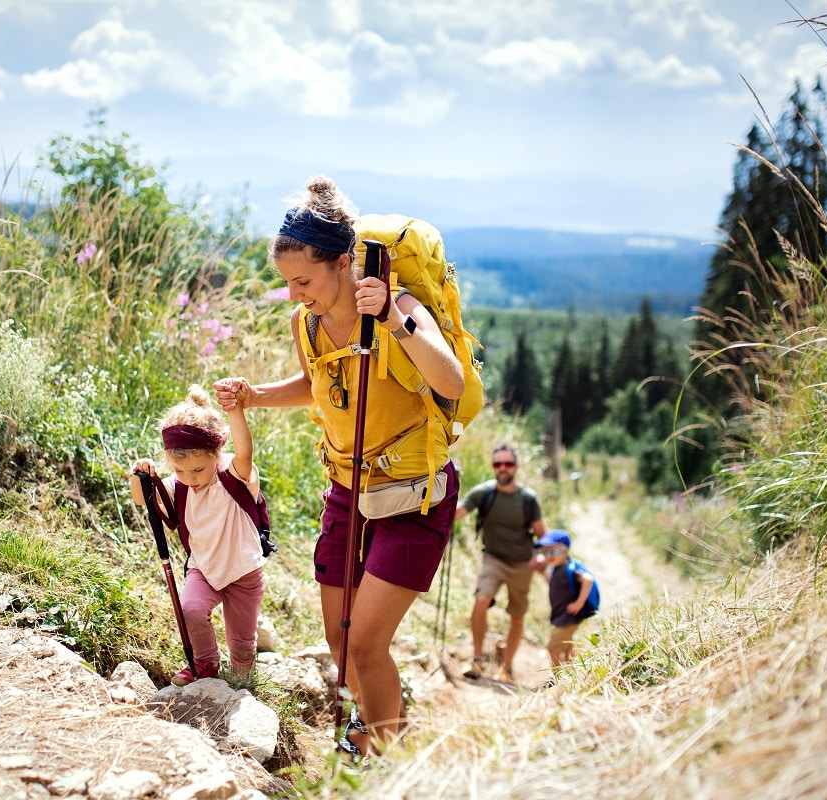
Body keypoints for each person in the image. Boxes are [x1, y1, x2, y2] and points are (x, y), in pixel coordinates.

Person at [213, 175, 464, 757]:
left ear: (345, 263)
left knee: (367, 645)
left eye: (304, 280)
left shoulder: (398, 306)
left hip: (413, 496)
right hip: (347, 490)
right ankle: (374, 730)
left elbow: (449, 379)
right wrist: (255, 396)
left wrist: (397, 322)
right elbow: (317, 383)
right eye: (288, 283)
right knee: (340, 639)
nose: (296, 293)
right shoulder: (307, 322)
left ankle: (384, 757)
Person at [130, 384, 266, 686]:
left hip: (243, 571)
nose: (190, 479)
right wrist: (138, 475)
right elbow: (142, 499)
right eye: (179, 470)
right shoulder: (178, 487)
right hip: (203, 567)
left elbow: (245, 450)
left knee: (242, 643)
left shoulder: (233, 475)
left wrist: (235, 410)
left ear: (217, 454)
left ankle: (244, 678)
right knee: (191, 609)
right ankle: (205, 663)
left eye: (198, 470)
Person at [453, 444, 546, 683]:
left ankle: (507, 667)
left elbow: (542, 535)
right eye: (498, 464)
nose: (503, 469)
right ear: (493, 467)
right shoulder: (483, 493)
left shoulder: (528, 499)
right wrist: (447, 488)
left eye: (508, 464)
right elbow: (456, 514)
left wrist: (544, 557)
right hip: (493, 559)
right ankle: (477, 659)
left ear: (516, 466)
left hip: (522, 564)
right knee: (481, 599)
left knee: (517, 616)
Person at [537, 528, 597, 669]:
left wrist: (579, 602)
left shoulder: (568, 569)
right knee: (567, 646)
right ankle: (574, 672)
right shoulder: (556, 569)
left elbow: (588, 580)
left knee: (552, 648)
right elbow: (553, 584)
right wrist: (542, 573)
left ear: (565, 551)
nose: (548, 556)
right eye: (545, 552)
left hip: (569, 617)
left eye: (552, 551)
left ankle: (558, 678)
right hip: (562, 616)